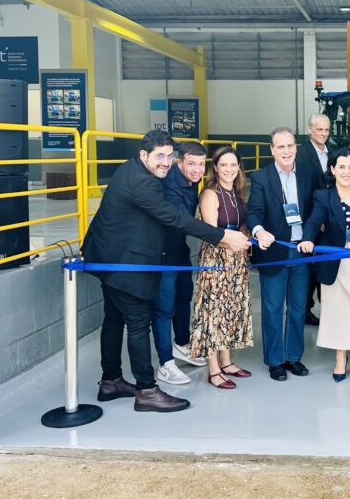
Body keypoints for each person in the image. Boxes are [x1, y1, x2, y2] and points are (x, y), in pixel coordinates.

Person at [81, 130, 250, 413]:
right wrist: (222, 235)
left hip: (108, 253)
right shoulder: (142, 183)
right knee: (137, 322)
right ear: (144, 155)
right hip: (121, 261)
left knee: (113, 318)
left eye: (169, 156)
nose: (165, 162)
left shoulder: (136, 170)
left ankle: (111, 381)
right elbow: (174, 218)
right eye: (159, 156)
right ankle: (146, 390)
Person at [248, 127, 322, 381]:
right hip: (275, 252)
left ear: (296, 148)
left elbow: (316, 209)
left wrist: (310, 236)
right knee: (272, 308)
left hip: (302, 251)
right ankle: (275, 360)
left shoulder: (308, 174)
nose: (287, 151)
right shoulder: (260, 177)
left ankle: (293, 357)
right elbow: (254, 212)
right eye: (281, 147)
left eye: (290, 146)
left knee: (299, 307)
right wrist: (258, 232)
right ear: (272, 150)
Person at [298, 149, 350, 383]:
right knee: (338, 313)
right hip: (337, 260)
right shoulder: (324, 195)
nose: (346, 171)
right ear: (332, 170)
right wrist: (307, 238)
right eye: (341, 167)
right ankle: (340, 359)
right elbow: (314, 220)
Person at [187, 146, 254, 389]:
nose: (229, 169)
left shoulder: (237, 194)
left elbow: (242, 226)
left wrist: (252, 238)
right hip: (216, 261)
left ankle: (227, 362)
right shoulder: (210, 194)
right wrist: (236, 241)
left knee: (231, 311)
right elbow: (212, 232)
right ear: (215, 167)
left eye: (233, 165)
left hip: (236, 261)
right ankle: (213, 368)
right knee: (213, 313)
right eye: (223, 165)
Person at [153, 141, 208, 387]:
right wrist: (222, 237)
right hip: (161, 252)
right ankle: (165, 363)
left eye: (201, 164)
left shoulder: (192, 181)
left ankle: (182, 345)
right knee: (164, 307)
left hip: (179, 248)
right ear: (179, 162)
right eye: (192, 164)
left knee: (184, 295)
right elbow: (182, 220)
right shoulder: (168, 184)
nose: (197, 170)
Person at [295, 113, 332, 327]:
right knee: (307, 270)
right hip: (311, 220)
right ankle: (305, 309)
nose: (323, 134)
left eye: (326, 130)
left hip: (329, 219)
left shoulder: (332, 152)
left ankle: (327, 309)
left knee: (325, 266)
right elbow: (303, 192)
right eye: (320, 130)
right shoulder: (301, 155)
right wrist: (315, 220)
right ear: (310, 130)